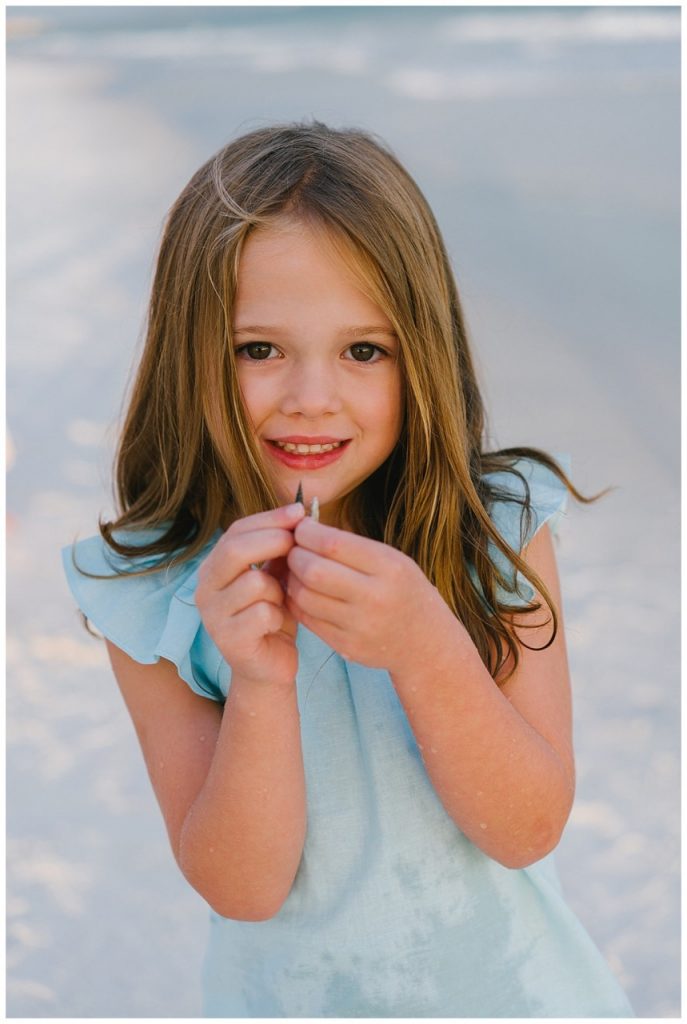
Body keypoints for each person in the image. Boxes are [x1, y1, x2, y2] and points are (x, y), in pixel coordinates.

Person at [62, 121, 633, 1018]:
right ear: (191, 353)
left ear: (423, 355)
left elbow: (524, 828)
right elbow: (242, 888)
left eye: (363, 350)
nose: (310, 396)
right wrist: (257, 681)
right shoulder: (152, 590)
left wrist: (425, 649)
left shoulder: (491, 529)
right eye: (259, 349)